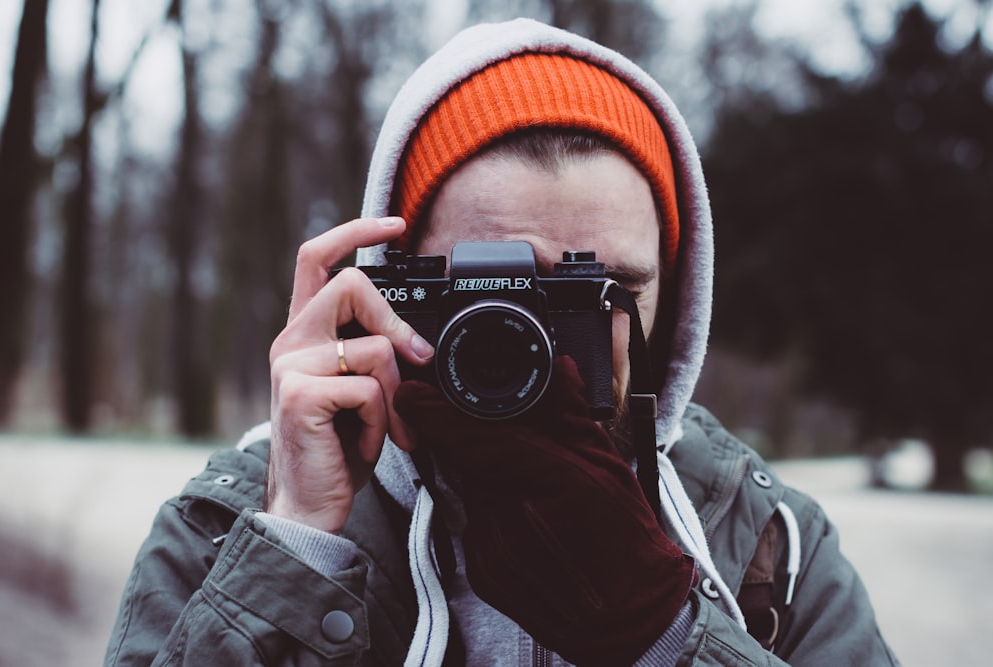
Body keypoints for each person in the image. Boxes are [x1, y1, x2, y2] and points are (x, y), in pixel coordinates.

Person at [105, 18, 900, 667]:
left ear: (676, 301)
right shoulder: (227, 527)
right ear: (392, 285)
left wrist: (660, 633)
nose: (532, 346)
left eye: (595, 294)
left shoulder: (763, 538)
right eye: (488, 294)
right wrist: (297, 545)